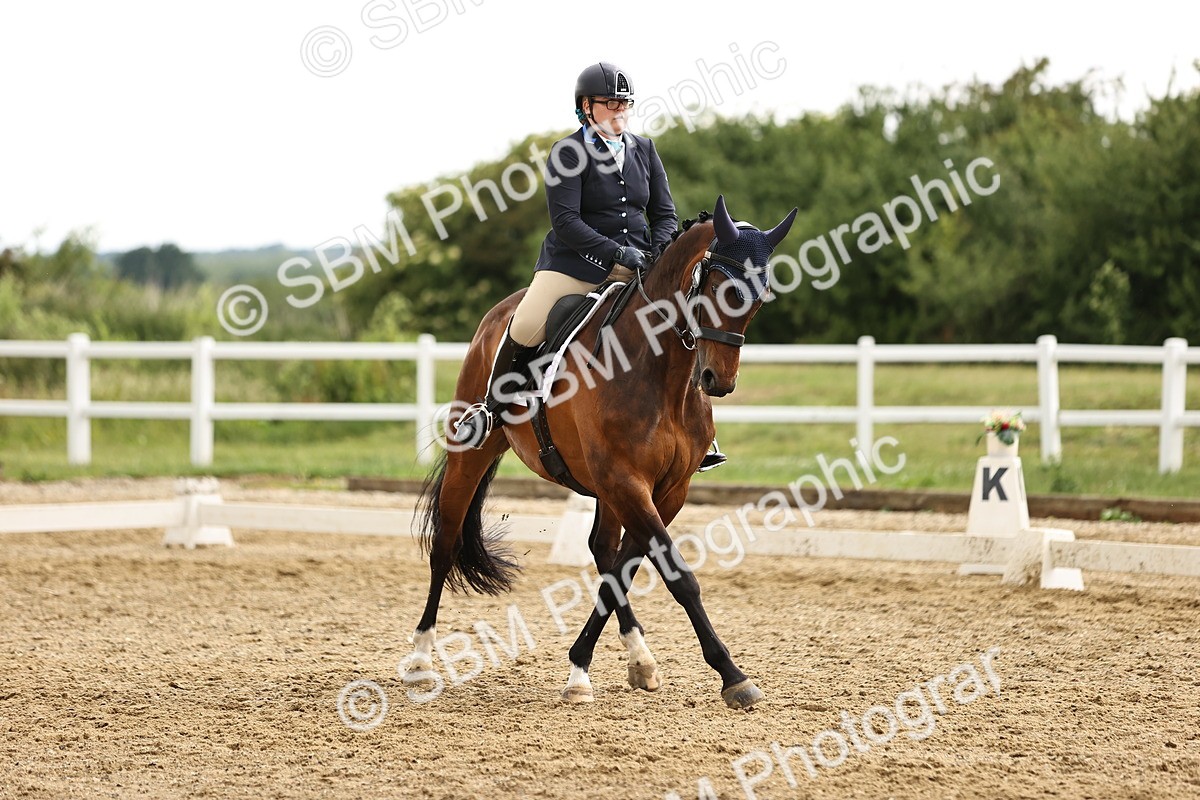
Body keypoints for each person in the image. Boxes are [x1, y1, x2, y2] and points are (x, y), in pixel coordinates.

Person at [452, 61, 727, 471]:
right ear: (586, 106)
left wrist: (657, 251)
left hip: (640, 267)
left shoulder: (644, 150)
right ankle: (492, 409)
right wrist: (617, 253)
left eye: (625, 104)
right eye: (610, 103)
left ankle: (696, 433)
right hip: (574, 265)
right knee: (526, 323)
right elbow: (566, 222)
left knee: (681, 324)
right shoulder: (568, 152)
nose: (619, 111)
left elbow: (665, 214)